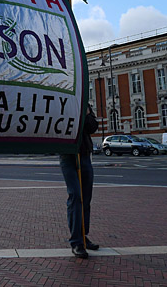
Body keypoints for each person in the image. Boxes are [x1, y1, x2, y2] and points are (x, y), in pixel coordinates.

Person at [59, 104, 99, 258]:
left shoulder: (84, 104)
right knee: (76, 195)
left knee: (86, 198)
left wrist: (87, 112)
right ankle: (76, 241)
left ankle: (83, 236)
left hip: (84, 154)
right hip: (67, 155)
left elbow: (92, 127)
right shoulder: (61, 103)